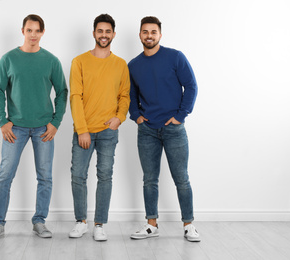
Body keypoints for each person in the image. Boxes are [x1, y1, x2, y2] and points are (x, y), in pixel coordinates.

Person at [0, 14, 68, 239]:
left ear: (43, 32)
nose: (33, 35)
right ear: (23, 31)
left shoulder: (51, 60)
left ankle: (39, 221)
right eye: (29, 30)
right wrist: (2, 121)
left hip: (44, 128)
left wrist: (55, 122)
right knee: (5, 175)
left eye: (37, 30)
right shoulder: (9, 59)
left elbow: (62, 92)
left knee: (45, 177)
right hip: (15, 129)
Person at [128, 16, 200, 242]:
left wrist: (180, 116)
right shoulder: (133, 65)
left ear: (160, 34)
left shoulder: (175, 57)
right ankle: (151, 224)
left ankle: (189, 225)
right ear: (140, 35)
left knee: (181, 178)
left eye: (153, 32)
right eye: (145, 32)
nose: (149, 35)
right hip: (147, 130)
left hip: (173, 130)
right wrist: (137, 117)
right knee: (150, 179)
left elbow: (191, 86)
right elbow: (130, 96)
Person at [68, 14, 130, 241]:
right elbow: (75, 96)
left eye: (108, 31)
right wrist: (82, 129)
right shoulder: (79, 61)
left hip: (108, 131)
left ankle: (99, 224)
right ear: (93, 33)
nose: (104, 35)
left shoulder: (121, 64)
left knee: (105, 176)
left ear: (113, 34)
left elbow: (125, 96)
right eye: (100, 31)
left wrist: (119, 117)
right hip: (84, 130)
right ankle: (80, 221)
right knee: (78, 175)